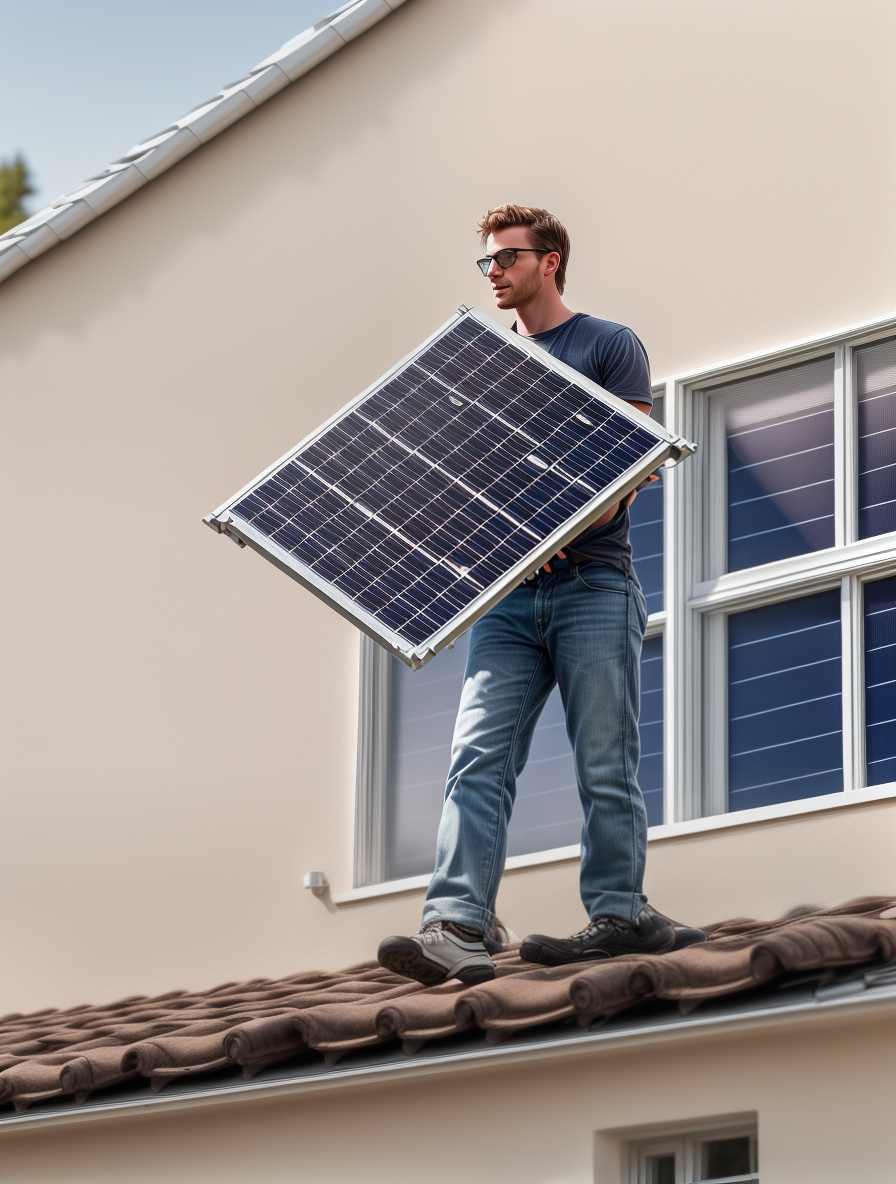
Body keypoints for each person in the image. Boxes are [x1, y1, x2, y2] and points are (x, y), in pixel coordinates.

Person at [377, 205, 682, 988]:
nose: (493, 274)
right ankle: (455, 924)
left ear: (549, 262)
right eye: (485, 263)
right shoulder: (480, 369)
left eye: (505, 259)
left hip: (592, 586)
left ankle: (619, 911)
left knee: (605, 760)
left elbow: (620, 482)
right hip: (509, 602)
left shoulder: (607, 345)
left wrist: (556, 510)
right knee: (476, 758)